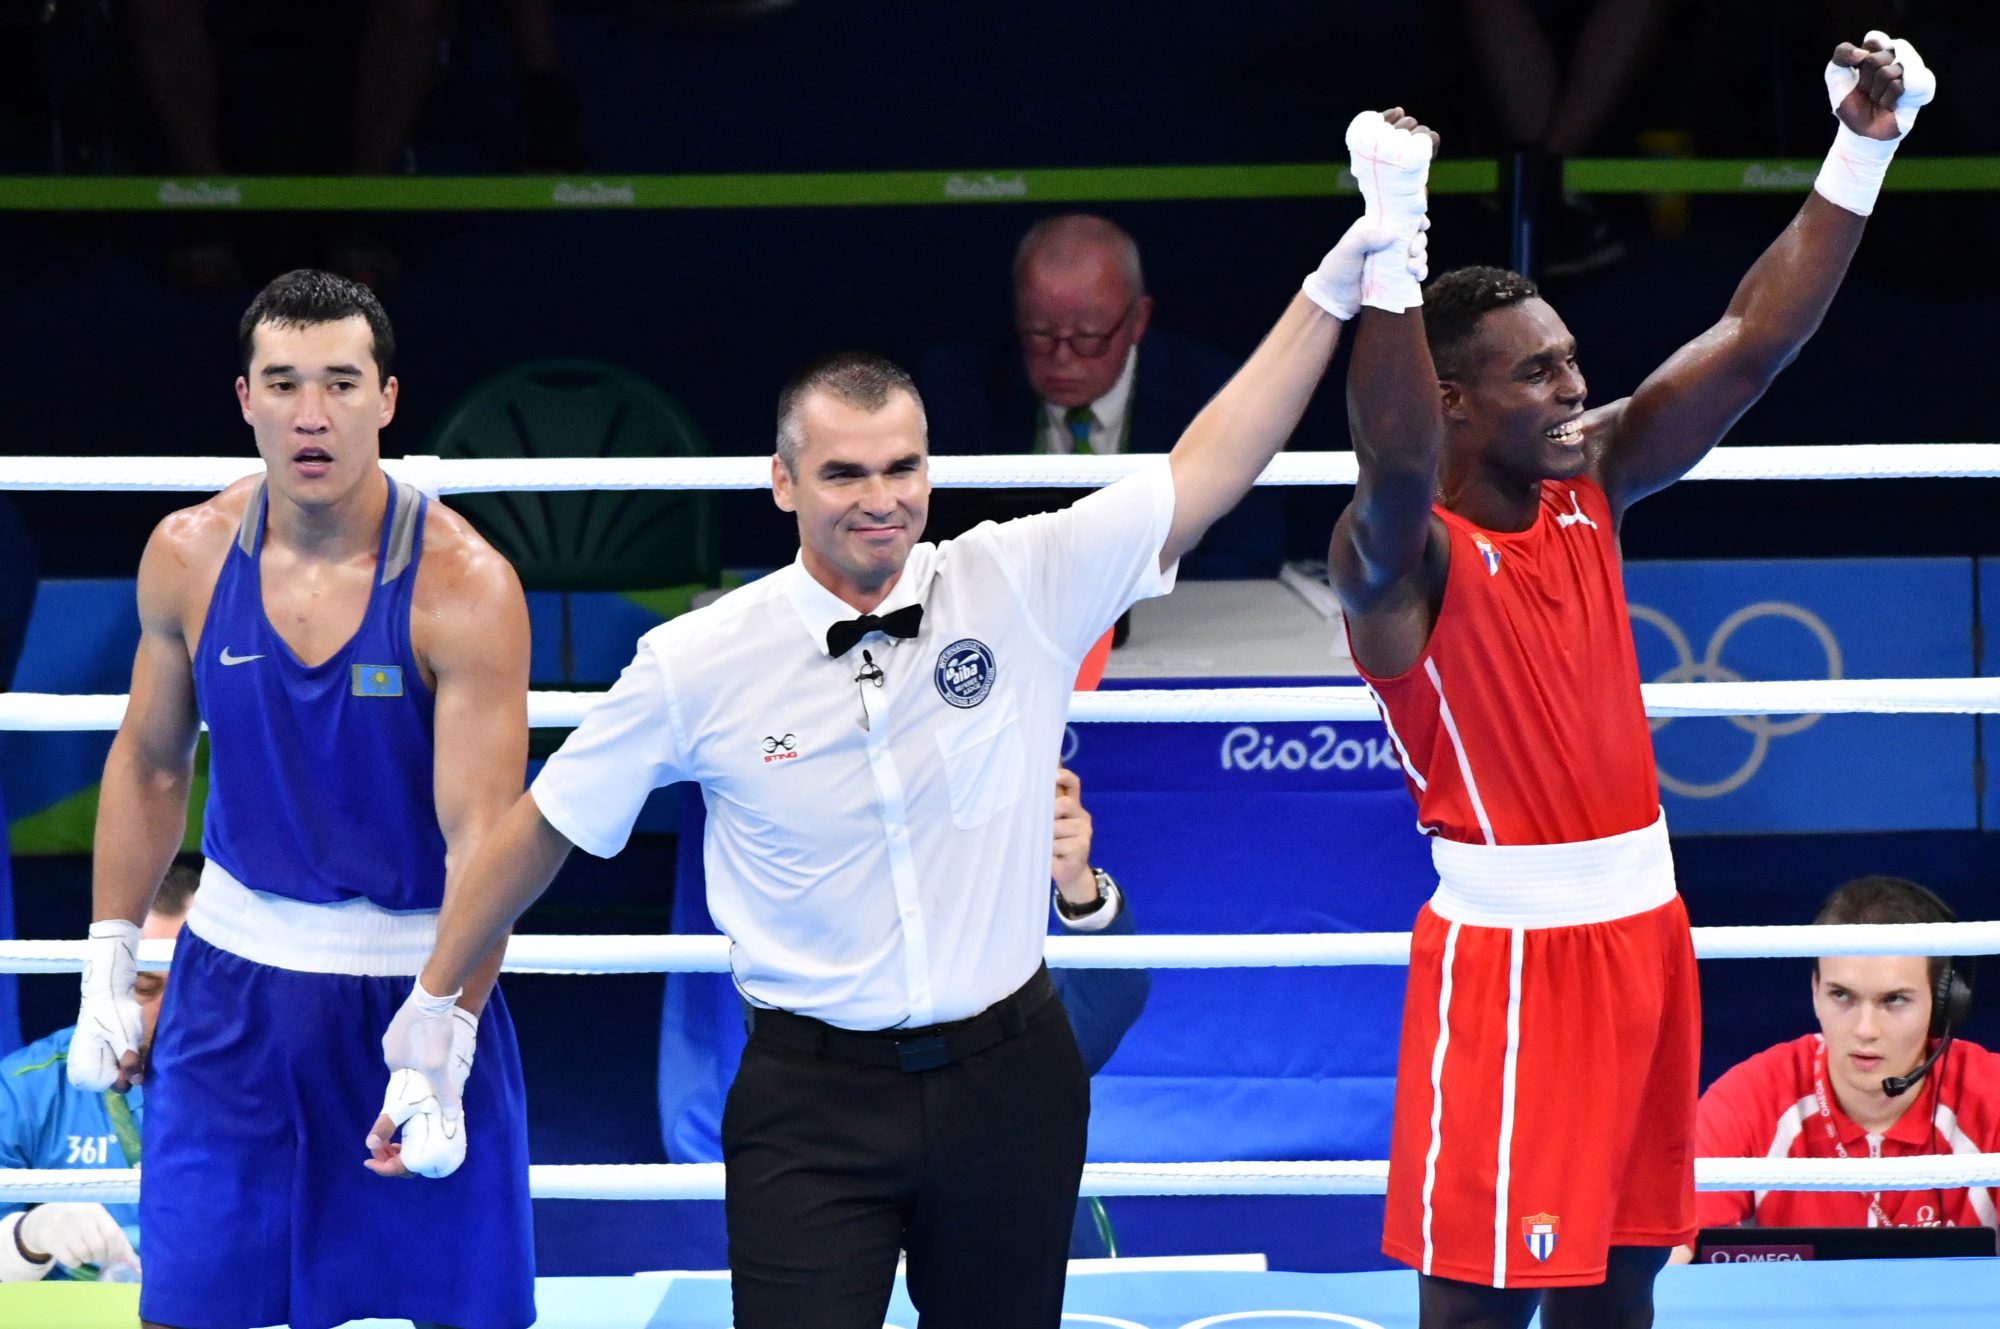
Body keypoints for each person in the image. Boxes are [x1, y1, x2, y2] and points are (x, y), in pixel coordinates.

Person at [369, 132, 1430, 1327]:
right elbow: (538, 830)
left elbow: (1206, 467)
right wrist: (433, 1018)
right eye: (843, 474)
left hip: (1008, 1077)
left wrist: (1333, 285)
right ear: (782, 483)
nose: (878, 498)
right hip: (808, 1102)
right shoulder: (697, 661)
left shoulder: (1016, 578)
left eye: (901, 467)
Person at [1329, 34, 1931, 1329]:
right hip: (1512, 969)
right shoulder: (1403, 556)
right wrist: (1392, 229)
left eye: (1571, 358)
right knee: (1481, 1303)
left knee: (1620, 1285)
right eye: (1536, 372)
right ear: (1454, 403)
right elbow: (1388, 457)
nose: (1576, 387)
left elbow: (1753, 339)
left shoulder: (1589, 483)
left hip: (1646, 939)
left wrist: (1864, 142)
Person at [67, 269, 535, 1329]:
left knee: (457, 1312)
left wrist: (444, 1034)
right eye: (283, 384)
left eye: (339, 382)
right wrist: (108, 955)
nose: (311, 415)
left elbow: (482, 844)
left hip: (412, 984)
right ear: (245, 399)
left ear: (388, 398)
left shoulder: (464, 585)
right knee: (194, 1305)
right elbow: (148, 761)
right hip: (232, 993)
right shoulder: (186, 555)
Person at [918, 213, 1284, 579]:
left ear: (1138, 320)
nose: (1062, 358)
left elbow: (1247, 553)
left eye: (1089, 336)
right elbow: (935, 547)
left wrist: (1116, 586)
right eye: (1039, 332)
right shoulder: (957, 391)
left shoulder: (1218, 395)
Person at [1676, 877, 1997, 1251]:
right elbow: (1672, 1259)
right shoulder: (1750, 1098)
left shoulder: (1990, 1095)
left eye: (1894, 1000)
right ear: (1814, 990)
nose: (1865, 1030)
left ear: (1942, 1005)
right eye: (1841, 995)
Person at [0, 865, 196, 1283]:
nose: (171, 1012)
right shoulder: (27, 1088)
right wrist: (25, 1238)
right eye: (145, 987)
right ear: (100, 978)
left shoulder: (271, 1081)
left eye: (190, 987)